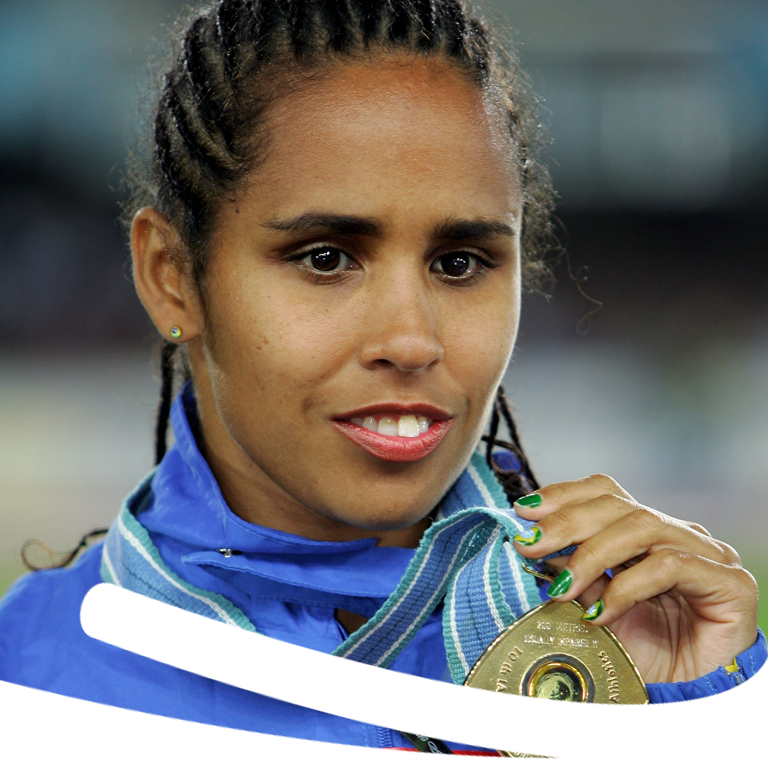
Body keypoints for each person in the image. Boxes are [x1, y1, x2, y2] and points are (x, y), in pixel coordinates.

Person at [0, 0, 765, 757]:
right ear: (173, 278)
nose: (411, 340)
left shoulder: (644, 648)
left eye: (459, 264)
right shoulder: (24, 686)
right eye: (326, 257)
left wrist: (693, 726)